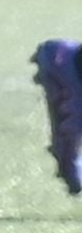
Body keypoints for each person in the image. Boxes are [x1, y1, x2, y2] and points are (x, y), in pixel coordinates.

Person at [31, 39, 82, 194]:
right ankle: (70, 165)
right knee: (70, 133)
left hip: (63, 61)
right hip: (65, 69)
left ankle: (71, 167)